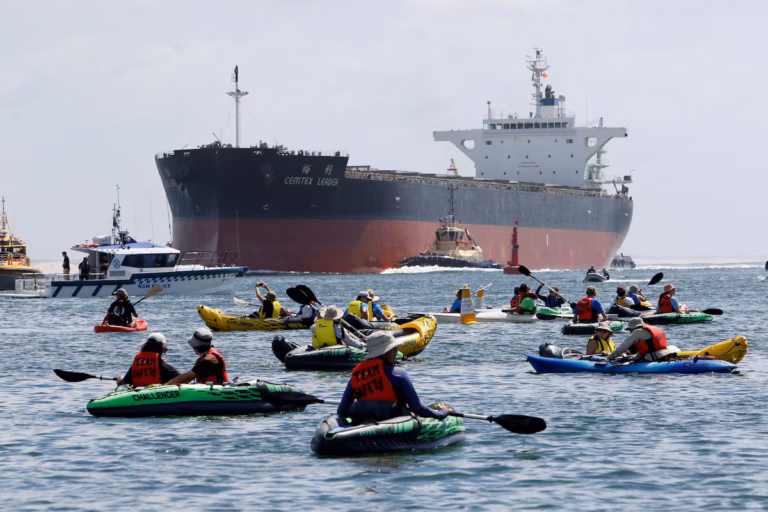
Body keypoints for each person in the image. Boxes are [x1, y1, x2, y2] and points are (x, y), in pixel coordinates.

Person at [336, 331, 452, 422]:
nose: (396, 351)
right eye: (393, 348)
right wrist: (442, 413)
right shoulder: (398, 374)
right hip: (392, 422)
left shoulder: (356, 375)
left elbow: (342, 411)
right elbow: (417, 408)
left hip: (362, 422)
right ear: (384, 351)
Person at [115, 333, 180, 387]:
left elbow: (123, 382)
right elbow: (181, 379)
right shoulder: (164, 367)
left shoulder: (136, 365)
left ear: (145, 346)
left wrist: (119, 380)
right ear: (162, 349)